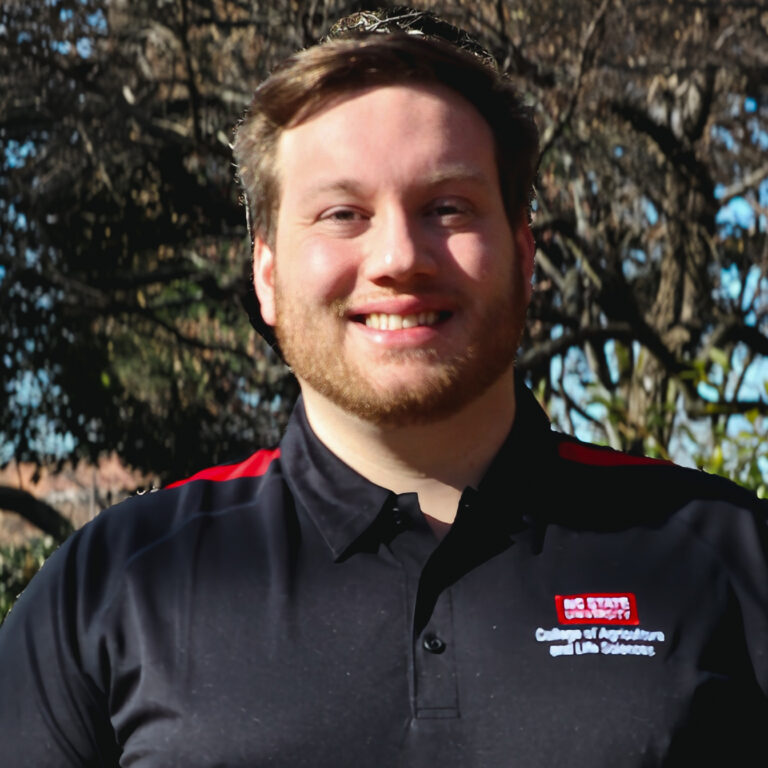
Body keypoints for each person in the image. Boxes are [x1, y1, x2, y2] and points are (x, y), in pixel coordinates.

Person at [1, 8, 767, 766]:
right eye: (342, 213)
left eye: (448, 208)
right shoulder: (113, 588)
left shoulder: (730, 558)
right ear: (265, 274)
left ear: (525, 254)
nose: (400, 256)